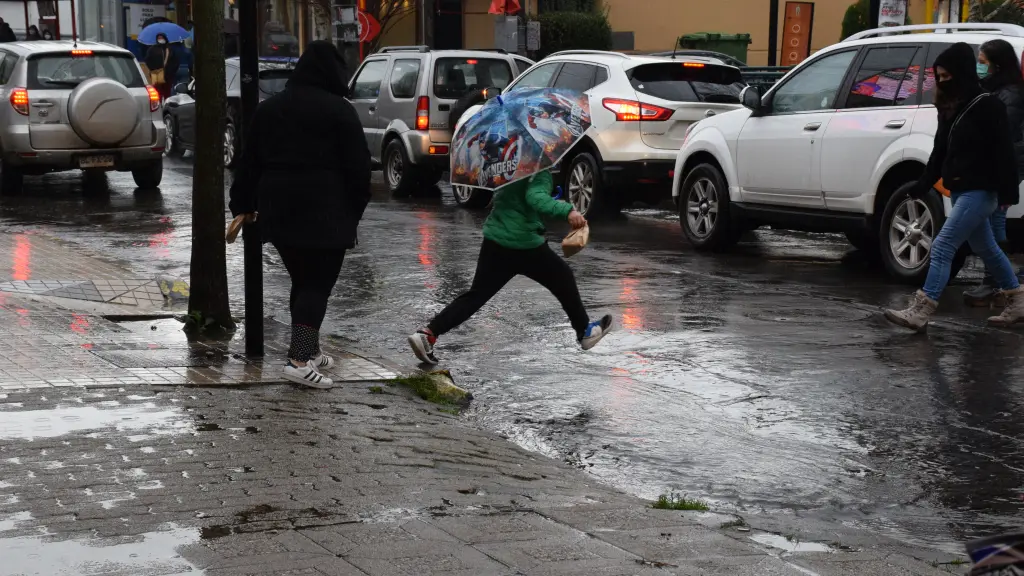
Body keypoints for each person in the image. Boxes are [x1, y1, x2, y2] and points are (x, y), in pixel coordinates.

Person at [228, 41, 371, 389]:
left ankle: (310, 348)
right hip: (326, 208)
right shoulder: (339, 111)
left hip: (277, 208)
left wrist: (242, 205)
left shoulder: (269, 109)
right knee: (316, 283)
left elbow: (249, 163)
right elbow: (359, 168)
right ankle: (299, 360)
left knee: (302, 278)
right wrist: (355, 210)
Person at [407, 170, 612, 365]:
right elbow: (535, 198)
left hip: (496, 240)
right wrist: (568, 211)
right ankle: (584, 331)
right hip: (524, 245)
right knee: (564, 278)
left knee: (475, 296)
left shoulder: (509, 164)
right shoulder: (538, 168)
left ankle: (428, 334)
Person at [884, 42, 1023, 332]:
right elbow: (940, 150)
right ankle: (1018, 299)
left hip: (982, 190)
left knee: (943, 245)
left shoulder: (989, 105)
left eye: (947, 76)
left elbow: (1004, 153)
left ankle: (922, 309)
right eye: (939, 76)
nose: (942, 81)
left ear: (961, 72)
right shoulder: (949, 106)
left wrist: (1008, 193)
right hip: (960, 188)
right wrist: (922, 185)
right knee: (986, 247)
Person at [964, 38, 1024, 307]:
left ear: (996, 64)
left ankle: (995, 282)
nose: (979, 66)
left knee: (993, 221)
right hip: (999, 163)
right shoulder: (993, 89)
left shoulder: (1009, 94)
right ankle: (998, 281)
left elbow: (1004, 135)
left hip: (1005, 164)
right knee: (993, 221)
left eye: (982, 62)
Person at [144, 33, 179, 101]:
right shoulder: (152, 49)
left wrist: (171, 71)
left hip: (168, 76)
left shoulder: (170, 49)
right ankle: (158, 106)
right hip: (157, 74)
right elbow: (148, 60)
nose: (160, 40)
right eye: (159, 38)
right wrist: (153, 69)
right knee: (157, 93)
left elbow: (176, 61)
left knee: (167, 93)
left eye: (162, 38)